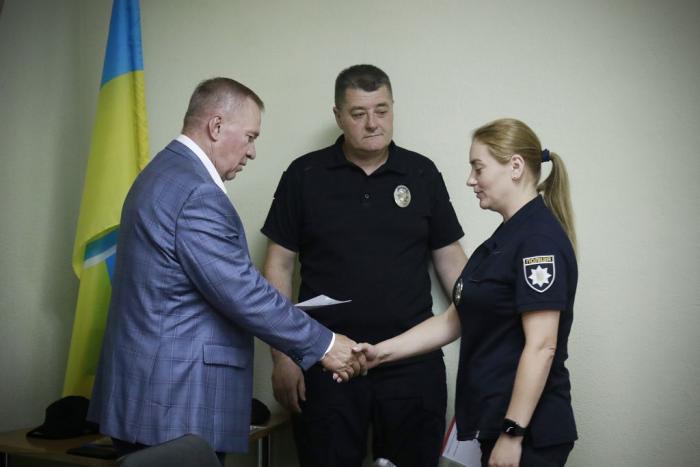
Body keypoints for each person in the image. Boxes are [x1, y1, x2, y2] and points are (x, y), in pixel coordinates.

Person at [87, 77, 364, 461]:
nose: (252, 151)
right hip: (175, 402)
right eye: (250, 137)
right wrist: (325, 345)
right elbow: (241, 291)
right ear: (216, 126)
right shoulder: (197, 192)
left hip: (150, 395)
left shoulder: (162, 173)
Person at [261, 64, 467, 467]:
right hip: (326, 362)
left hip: (411, 363)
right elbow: (278, 268)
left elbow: (452, 261)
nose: (373, 123)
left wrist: (486, 319)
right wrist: (283, 357)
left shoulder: (421, 173)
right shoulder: (304, 175)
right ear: (338, 116)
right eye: (359, 113)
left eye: (382, 110)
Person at [356, 118, 578, 467]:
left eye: (478, 167)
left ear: (515, 166)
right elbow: (454, 319)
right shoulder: (502, 240)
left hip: (528, 433)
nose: (470, 180)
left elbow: (542, 345)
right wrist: (379, 354)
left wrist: (512, 433)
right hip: (494, 422)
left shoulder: (538, 241)